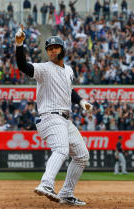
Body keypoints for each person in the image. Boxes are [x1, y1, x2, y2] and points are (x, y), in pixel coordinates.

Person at [15, 25, 93, 206]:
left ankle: (66, 194)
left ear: (63, 49)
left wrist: (81, 102)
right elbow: (23, 66)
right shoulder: (44, 68)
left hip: (65, 119)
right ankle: (46, 184)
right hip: (50, 116)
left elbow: (69, 91)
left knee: (82, 156)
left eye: (55, 48)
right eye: (49, 49)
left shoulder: (68, 71)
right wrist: (19, 45)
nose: (51, 51)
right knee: (61, 149)